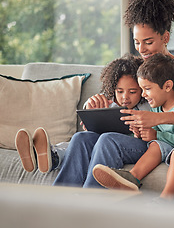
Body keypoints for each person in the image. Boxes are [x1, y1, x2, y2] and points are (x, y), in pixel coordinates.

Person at [53, 0, 174, 188]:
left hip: (155, 140)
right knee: (81, 138)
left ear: (165, 38)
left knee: (108, 141)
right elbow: (120, 103)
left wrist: (157, 119)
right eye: (137, 42)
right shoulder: (134, 66)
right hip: (129, 134)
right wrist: (96, 110)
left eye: (148, 42)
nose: (141, 50)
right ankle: (60, 202)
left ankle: (92, 204)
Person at [93, 54, 174, 200]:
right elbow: (157, 135)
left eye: (147, 89)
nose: (143, 94)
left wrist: (157, 135)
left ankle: (166, 199)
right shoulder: (156, 108)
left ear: (168, 86)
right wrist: (142, 133)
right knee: (156, 145)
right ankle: (132, 178)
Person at [14, 53, 143, 176]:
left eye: (132, 92)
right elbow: (92, 122)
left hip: (122, 143)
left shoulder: (146, 106)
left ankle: (52, 157)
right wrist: (89, 109)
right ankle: (46, 155)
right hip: (96, 140)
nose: (125, 97)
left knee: (95, 140)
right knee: (79, 137)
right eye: (119, 91)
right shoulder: (110, 103)